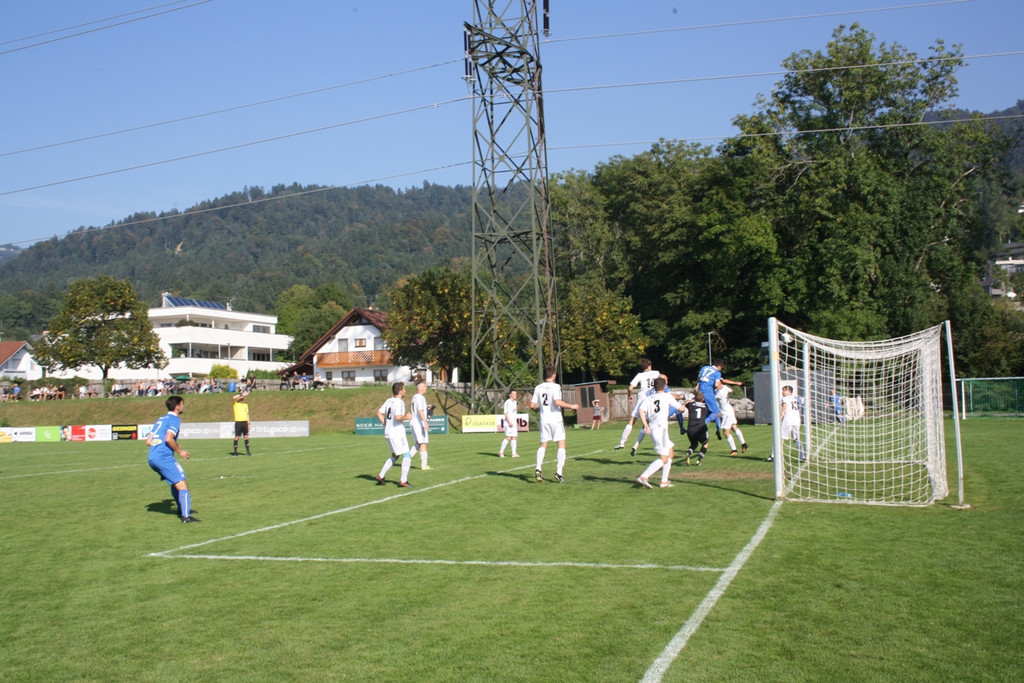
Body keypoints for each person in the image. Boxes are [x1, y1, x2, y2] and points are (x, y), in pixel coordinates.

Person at [146, 395, 199, 523]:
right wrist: (180, 451)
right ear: (177, 406)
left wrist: (174, 445)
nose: (183, 406)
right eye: (182, 404)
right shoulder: (174, 419)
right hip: (163, 458)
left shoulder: (160, 419)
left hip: (152, 457)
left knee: (174, 482)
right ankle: (185, 516)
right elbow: (168, 438)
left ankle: (182, 509)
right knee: (182, 485)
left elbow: (148, 441)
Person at [529, 365, 579, 483]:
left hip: (544, 420)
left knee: (543, 445)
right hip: (555, 419)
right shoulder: (556, 386)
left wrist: (538, 410)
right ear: (554, 375)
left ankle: (538, 468)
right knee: (561, 445)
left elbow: (532, 405)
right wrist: (571, 406)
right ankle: (559, 472)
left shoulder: (538, 387)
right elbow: (557, 402)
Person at [635, 376, 684, 489]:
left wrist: (646, 425)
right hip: (660, 429)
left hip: (655, 428)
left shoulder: (649, 398)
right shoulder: (667, 396)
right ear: (665, 386)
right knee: (664, 458)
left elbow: (641, 411)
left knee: (671, 452)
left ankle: (664, 481)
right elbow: (681, 409)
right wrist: (684, 405)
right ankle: (644, 476)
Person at [614, 358, 660, 450]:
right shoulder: (656, 373)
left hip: (642, 399)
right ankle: (636, 445)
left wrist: (630, 396)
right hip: (652, 400)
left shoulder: (640, 375)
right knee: (645, 423)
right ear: (650, 365)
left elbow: (630, 388)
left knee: (632, 420)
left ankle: (622, 442)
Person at [375, 382, 414, 487]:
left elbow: (379, 413)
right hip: (397, 433)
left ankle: (381, 475)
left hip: (388, 433)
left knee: (395, 456)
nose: (405, 391)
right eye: (404, 389)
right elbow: (398, 417)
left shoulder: (389, 401)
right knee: (407, 454)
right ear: (400, 391)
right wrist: (407, 417)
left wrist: (386, 424)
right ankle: (403, 481)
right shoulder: (399, 402)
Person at [697, 358, 743, 440]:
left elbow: (699, 380)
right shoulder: (717, 373)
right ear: (719, 366)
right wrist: (719, 387)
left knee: (709, 412)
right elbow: (717, 385)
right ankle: (704, 424)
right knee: (717, 413)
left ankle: (712, 429)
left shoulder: (704, 368)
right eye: (721, 367)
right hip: (708, 393)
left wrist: (735, 383)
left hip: (700, 393)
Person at [768, 384, 804, 463]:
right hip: (797, 420)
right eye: (783, 390)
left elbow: (784, 410)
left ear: (790, 391)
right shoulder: (797, 398)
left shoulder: (785, 399)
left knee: (778, 438)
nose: (783, 392)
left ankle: (773, 456)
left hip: (788, 420)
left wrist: (778, 420)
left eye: (784, 390)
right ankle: (802, 456)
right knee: (796, 439)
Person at [715, 385, 748, 455]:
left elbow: (710, 398)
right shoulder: (724, 387)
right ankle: (744, 444)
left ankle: (734, 450)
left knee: (725, 432)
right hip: (730, 410)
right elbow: (732, 390)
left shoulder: (719, 394)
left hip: (726, 413)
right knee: (734, 427)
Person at [683, 390, 711, 466]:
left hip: (690, 429)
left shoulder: (691, 405)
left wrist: (690, 399)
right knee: (705, 444)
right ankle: (699, 460)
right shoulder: (705, 407)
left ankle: (688, 453)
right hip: (701, 429)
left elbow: (686, 403)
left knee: (694, 444)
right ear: (703, 399)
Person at [410, 380, 431, 470]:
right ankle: (424, 465)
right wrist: (425, 421)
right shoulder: (420, 397)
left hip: (414, 422)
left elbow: (419, 409)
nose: (426, 388)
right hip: (419, 423)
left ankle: (407, 457)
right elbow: (420, 410)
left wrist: (426, 409)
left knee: (419, 443)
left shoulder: (415, 397)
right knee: (423, 443)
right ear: (420, 388)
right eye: (424, 386)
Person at [499, 389, 520, 457]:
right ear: (510, 395)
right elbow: (506, 413)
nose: (515, 395)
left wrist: (515, 422)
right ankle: (501, 452)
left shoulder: (515, 402)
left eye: (516, 394)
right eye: (514, 394)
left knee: (515, 437)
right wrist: (509, 421)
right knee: (508, 437)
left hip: (513, 423)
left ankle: (513, 453)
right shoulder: (507, 402)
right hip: (508, 423)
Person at [232, 391, 252, 456]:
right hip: (238, 422)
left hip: (244, 422)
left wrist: (248, 423)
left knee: (246, 436)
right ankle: (235, 452)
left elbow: (247, 414)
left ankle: (248, 452)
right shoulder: (235, 404)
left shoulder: (245, 405)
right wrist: (241, 394)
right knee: (237, 437)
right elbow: (234, 397)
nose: (242, 397)